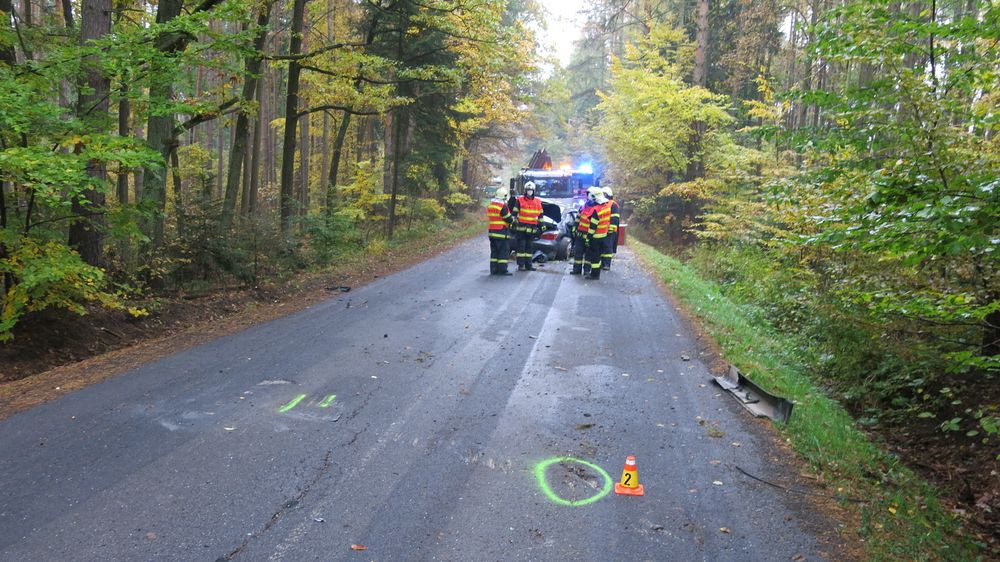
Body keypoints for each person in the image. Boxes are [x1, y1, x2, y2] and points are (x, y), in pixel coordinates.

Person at [510, 181, 542, 271]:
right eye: (528, 190)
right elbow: (514, 213)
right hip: (521, 230)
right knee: (521, 248)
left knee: (529, 248)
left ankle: (529, 265)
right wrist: (513, 222)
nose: (529, 192)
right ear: (525, 191)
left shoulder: (538, 202)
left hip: (531, 229)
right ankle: (521, 265)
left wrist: (542, 225)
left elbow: (540, 215)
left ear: (534, 191)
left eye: (531, 190)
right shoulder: (519, 200)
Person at [584, 187, 612, 280]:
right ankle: (596, 273)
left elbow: (592, 227)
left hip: (595, 237)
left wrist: (588, 238)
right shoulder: (607, 207)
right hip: (603, 235)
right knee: (598, 256)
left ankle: (595, 275)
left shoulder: (596, 210)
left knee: (595, 257)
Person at [486, 186, 513, 275]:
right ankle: (502, 270)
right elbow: (508, 219)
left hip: (492, 232)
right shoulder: (502, 206)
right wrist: (513, 220)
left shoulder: (491, 205)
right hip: (501, 232)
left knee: (494, 252)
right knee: (503, 251)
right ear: (504, 196)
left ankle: (494, 270)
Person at [571, 189, 598, 275]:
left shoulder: (596, 208)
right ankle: (577, 269)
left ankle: (586, 270)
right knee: (578, 253)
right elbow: (578, 218)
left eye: (588, 194)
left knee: (588, 254)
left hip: (590, 235)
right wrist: (575, 227)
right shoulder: (583, 207)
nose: (587, 196)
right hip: (580, 234)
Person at [602, 187, 620, 270]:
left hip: (610, 230)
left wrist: (611, 229)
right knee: (602, 247)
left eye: (604, 194)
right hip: (602, 230)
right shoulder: (602, 203)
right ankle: (602, 263)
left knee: (608, 247)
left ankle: (606, 264)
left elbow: (615, 218)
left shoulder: (613, 204)